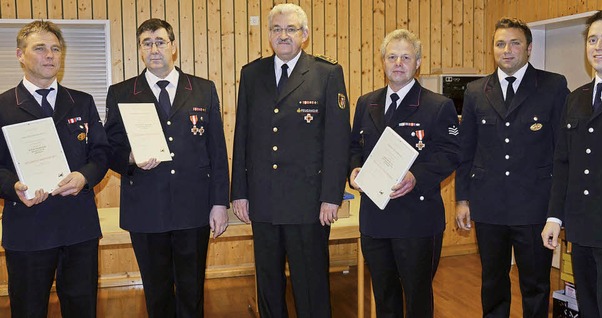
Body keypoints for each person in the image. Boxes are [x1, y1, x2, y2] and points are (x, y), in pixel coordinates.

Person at [230, 3, 350, 317]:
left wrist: (331, 196)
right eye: (277, 29)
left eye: (291, 29)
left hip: (308, 203)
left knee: (310, 284)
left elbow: (337, 141)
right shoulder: (251, 73)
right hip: (263, 200)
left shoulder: (326, 73)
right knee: (268, 283)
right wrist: (239, 192)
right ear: (268, 34)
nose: (284, 35)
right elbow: (242, 135)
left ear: (305, 35)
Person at [104, 18, 229, 318]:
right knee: (156, 292)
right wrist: (131, 158)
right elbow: (109, 149)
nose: (154, 49)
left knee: (192, 290)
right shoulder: (121, 92)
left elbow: (217, 152)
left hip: (193, 208)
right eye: (146, 43)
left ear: (174, 46)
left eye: (160, 41)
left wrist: (219, 203)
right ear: (140, 50)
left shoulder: (202, 89)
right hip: (147, 209)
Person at [455, 17, 569, 318]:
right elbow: (466, 149)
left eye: (515, 43)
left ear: (529, 48)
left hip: (534, 206)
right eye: (500, 44)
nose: (507, 50)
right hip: (489, 205)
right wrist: (462, 199)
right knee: (493, 282)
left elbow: (563, 152)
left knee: (535, 284)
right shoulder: (477, 90)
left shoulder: (552, 86)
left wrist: (557, 210)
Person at [0, 20, 110, 317]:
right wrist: (13, 187)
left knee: (82, 308)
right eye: (40, 48)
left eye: (55, 49)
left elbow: (101, 153)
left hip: (78, 227)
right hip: (28, 228)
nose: (50, 55)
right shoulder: (3, 106)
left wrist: (84, 177)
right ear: (20, 55)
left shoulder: (82, 102)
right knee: (28, 309)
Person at [349, 29, 460, 318]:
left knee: (417, 298)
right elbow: (353, 148)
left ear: (418, 62)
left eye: (406, 57)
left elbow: (450, 153)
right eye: (392, 56)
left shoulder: (438, 105)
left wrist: (416, 176)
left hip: (417, 220)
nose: (398, 63)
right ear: (383, 62)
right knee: (384, 296)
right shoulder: (366, 102)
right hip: (375, 219)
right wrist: (353, 171)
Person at [542, 9, 602, 317]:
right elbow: (564, 162)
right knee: (587, 307)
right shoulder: (578, 97)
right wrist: (555, 218)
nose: (597, 46)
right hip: (581, 227)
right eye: (592, 39)